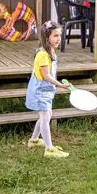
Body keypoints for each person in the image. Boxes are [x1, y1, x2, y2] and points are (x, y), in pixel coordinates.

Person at [25, 20, 70, 158]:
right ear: (47, 37)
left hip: (46, 91)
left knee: (47, 115)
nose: (58, 39)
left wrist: (59, 83)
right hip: (39, 91)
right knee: (45, 117)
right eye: (55, 35)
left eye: (60, 35)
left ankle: (33, 140)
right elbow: (45, 76)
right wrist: (60, 84)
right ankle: (49, 149)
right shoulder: (43, 54)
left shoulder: (50, 51)